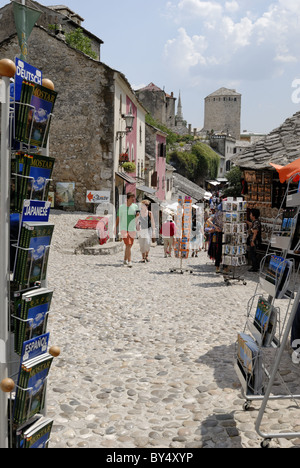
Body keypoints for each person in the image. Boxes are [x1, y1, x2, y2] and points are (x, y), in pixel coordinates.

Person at [115, 192, 139, 267]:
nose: (133, 199)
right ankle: (129, 261)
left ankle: (125, 259)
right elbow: (118, 218)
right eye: (132, 198)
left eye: (133, 198)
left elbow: (137, 217)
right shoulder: (122, 207)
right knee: (128, 244)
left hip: (132, 228)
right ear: (127, 198)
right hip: (124, 228)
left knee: (129, 245)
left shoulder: (135, 206)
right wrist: (115, 227)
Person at [207, 203, 224, 273]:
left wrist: (215, 226)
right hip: (225, 233)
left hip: (218, 233)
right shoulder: (226, 214)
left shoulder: (215, 215)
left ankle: (218, 267)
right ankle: (225, 267)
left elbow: (208, 220)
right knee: (224, 250)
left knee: (218, 250)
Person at [247, 208, 261, 272]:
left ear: (253, 215)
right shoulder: (255, 221)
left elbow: (255, 232)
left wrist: (252, 241)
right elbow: (251, 224)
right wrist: (246, 221)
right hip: (254, 240)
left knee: (253, 253)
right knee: (253, 253)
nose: (250, 215)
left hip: (254, 240)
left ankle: (254, 267)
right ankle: (255, 266)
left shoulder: (256, 222)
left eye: (251, 214)